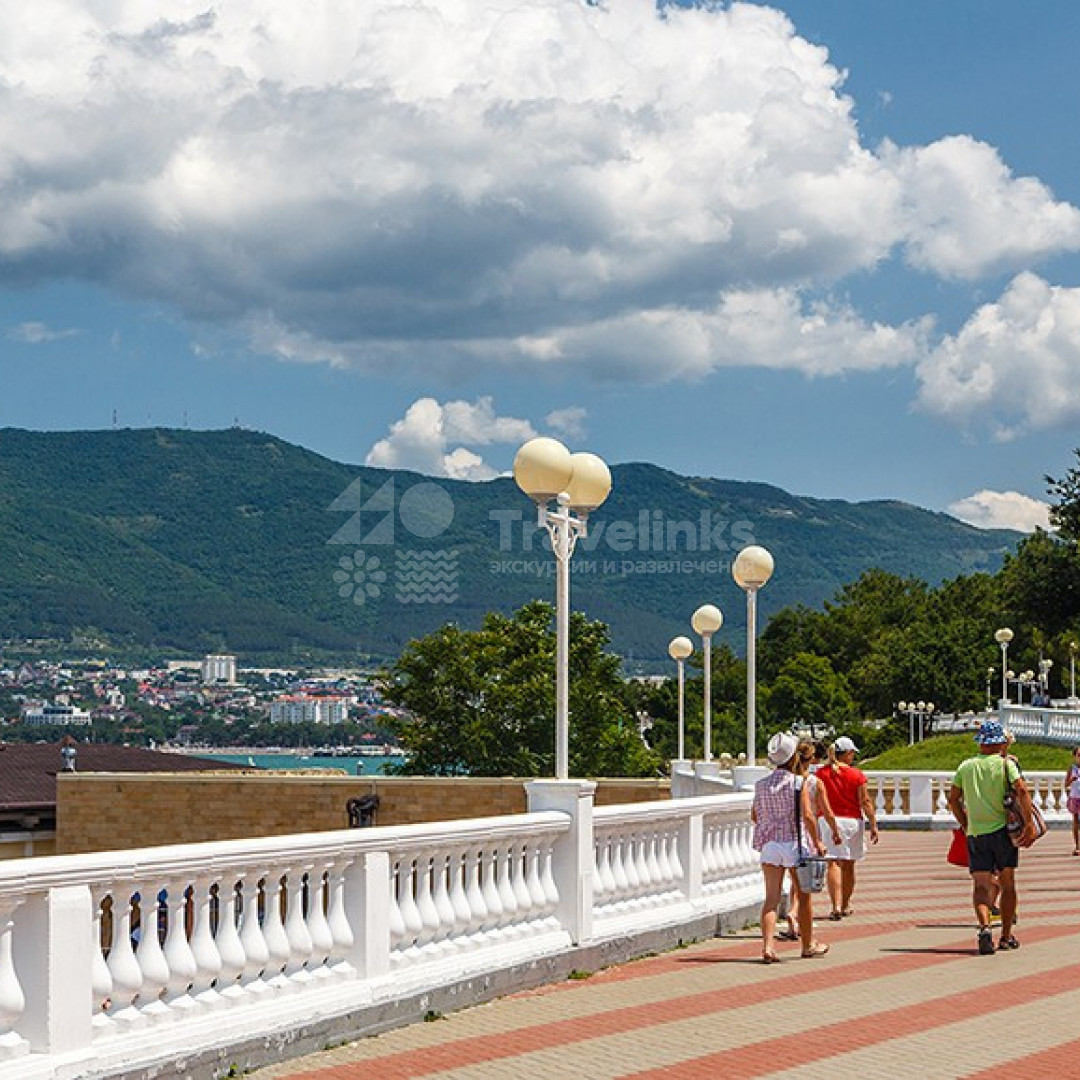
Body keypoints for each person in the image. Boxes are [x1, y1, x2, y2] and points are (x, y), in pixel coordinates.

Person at [947, 719, 1035, 955]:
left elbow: (953, 799)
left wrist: (965, 823)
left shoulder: (965, 767)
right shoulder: (1006, 765)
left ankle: (985, 928)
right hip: (1003, 833)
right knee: (1007, 884)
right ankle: (1006, 936)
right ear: (999, 743)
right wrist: (1028, 824)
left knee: (981, 884)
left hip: (976, 834)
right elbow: (1022, 790)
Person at [751, 731, 830, 963]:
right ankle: (807, 945)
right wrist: (818, 842)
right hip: (794, 843)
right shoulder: (798, 783)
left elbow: (755, 815)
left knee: (771, 899)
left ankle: (768, 947)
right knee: (804, 897)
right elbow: (807, 815)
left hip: (770, 845)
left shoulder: (761, 785)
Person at [815, 735, 879, 920]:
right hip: (852, 822)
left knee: (832, 863)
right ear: (848, 754)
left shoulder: (821, 773)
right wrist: (873, 824)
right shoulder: (856, 775)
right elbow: (865, 801)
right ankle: (844, 904)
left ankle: (834, 905)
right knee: (849, 865)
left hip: (828, 821)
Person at [1066, 746, 1080, 857]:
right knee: (1075, 821)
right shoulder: (1072, 768)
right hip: (1075, 797)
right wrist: (1071, 779)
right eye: (1079, 755)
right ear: (1075, 756)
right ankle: (1077, 846)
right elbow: (1065, 784)